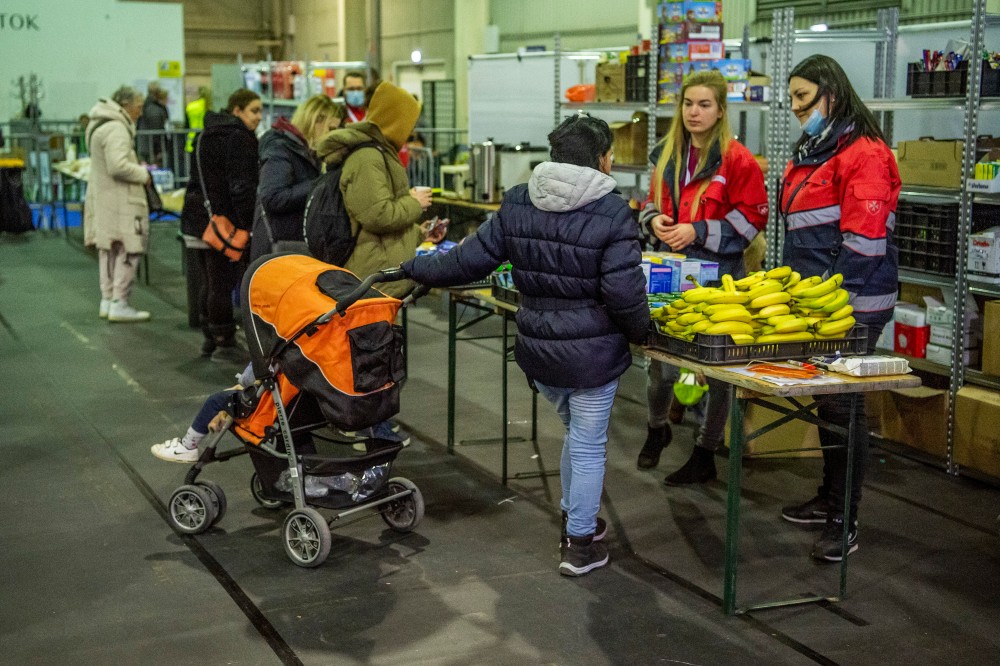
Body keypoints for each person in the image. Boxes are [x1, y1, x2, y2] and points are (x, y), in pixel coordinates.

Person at [400, 114, 650, 577]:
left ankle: (579, 521)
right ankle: (579, 545)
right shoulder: (613, 211)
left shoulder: (517, 202)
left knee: (577, 436)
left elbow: (465, 262)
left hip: (539, 352)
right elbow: (624, 293)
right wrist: (642, 333)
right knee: (589, 444)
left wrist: (416, 268)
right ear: (601, 159)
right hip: (592, 356)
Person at [778, 54, 900, 562]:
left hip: (854, 304)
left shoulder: (865, 154)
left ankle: (844, 518)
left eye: (803, 97)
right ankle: (829, 498)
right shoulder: (812, 150)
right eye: (791, 100)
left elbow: (865, 244)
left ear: (831, 92)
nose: (796, 108)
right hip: (819, 303)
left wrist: (833, 304)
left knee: (844, 406)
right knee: (829, 403)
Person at [637, 70, 768, 483]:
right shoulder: (664, 152)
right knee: (661, 366)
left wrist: (699, 230)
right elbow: (647, 200)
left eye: (704, 104)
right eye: (688, 103)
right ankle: (656, 428)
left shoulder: (737, 160)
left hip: (717, 277)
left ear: (720, 110)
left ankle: (705, 451)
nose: (694, 112)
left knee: (717, 371)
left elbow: (752, 220)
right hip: (669, 274)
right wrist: (653, 219)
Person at [315, 80, 438, 299]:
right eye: (408, 123)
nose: (410, 132)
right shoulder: (367, 158)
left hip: (380, 277)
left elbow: (384, 227)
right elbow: (378, 215)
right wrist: (414, 202)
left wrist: (421, 233)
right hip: (371, 280)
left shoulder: (379, 153)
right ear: (393, 120)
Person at [180, 89, 262, 362]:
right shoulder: (239, 138)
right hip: (224, 221)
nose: (259, 118)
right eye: (254, 110)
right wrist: (248, 223)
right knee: (222, 282)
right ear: (236, 111)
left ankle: (210, 338)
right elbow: (241, 187)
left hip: (199, 217)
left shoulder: (206, 133)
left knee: (209, 281)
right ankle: (224, 340)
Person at [84, 85, 154, 323]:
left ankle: (108, 300)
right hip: (122, 201)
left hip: (105, 199)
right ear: (126, 105)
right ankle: (120, 302)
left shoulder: (100, 124)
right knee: (128, 249)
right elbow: (118, 165)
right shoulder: (116, 128)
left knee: (108, 251)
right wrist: (143, 173)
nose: (140, 112)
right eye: (138, 106)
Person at [250, 94, 342, 261]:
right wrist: (320, 184)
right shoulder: (280, 147)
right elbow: (273, 197)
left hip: (292, 246)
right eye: (331, 129)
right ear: (316, 121)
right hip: (280, 248)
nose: (332, 136)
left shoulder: (308, 152)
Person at [136, 82, 170, 165]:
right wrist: (159, 150)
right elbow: (156, 131)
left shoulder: (147, 105)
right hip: (151, 150)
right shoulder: (154, 109)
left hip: (144, 147)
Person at [185, 86, 212, 153]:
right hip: (206, 137)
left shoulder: (191, 106)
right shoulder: (209, 106)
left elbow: (186, 124)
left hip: (192, 138)